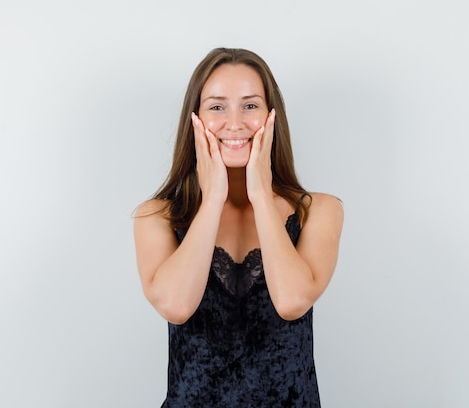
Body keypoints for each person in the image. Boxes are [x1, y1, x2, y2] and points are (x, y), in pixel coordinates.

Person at [133, 48, 344, 408]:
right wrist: (213, 196)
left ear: (271, 116)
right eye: (217, 106)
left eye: (250, 106)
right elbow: (176, 305)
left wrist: (260, 191)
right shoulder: (156, 216)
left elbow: (292, 301)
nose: (235, 123)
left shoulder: (319, 211)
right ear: (195, 119)